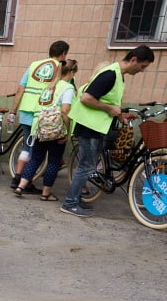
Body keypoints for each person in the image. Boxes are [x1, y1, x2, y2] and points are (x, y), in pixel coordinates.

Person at [61, 45, 154, 217]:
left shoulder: (118, 75)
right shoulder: (110, 74)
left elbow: (107, 102)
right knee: (86, 166)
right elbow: (86, 98)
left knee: (87, 166)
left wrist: (120, 115)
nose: (142, 71)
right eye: (142, 67)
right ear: (134, 60)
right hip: (89, 127)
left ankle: (74, 200)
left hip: (96, 127)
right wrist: (109, 109)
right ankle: (70, 203)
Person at [8, 40, 70, 192]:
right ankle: (23, 181)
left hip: (25, 110)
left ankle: (18, 177)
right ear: (63, 54)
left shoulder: (34, 65)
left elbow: (20, 89)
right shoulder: (59, 67)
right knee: (37, 152)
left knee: (27, 146)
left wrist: (13, 111)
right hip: (43, 115)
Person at [14, 60, 79, 202]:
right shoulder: (67, 88)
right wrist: (67, 131)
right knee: (54, 161)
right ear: (72, 73)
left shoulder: (48, 86)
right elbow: (65, 110)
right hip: (56, 130)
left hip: (39, 128)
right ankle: (45, 193)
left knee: (36, 158)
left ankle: (21, 186)